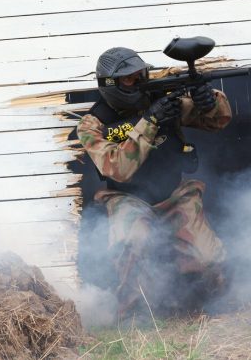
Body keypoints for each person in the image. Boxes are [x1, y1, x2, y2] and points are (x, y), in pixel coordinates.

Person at [76, 45, 232, 318]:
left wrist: (210, 101)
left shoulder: (159, 99)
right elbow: (118, 169)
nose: (139, 83)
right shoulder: (93, 124)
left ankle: (210, 308)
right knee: (131, 243)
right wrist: (151, 122)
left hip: (174, 194)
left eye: (141, 74)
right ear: (110, 83)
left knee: (209, 257)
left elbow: (218, 120)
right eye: (129, 78)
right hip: (127, 198)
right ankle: (132, 318)